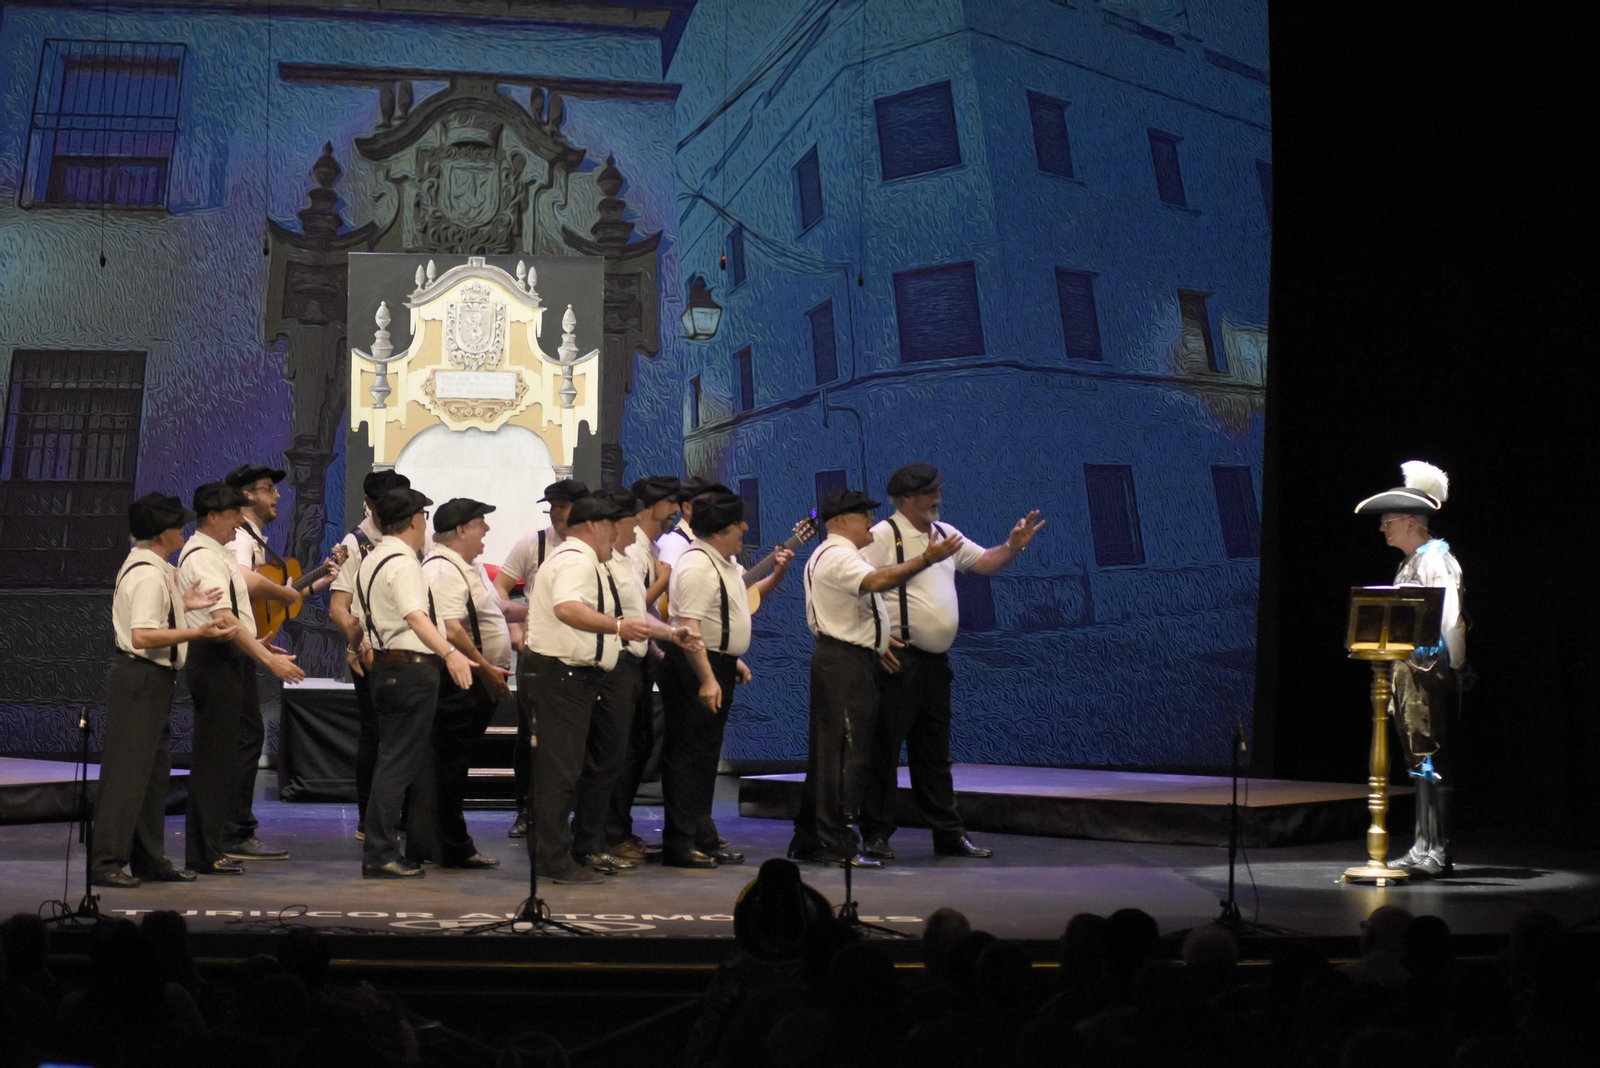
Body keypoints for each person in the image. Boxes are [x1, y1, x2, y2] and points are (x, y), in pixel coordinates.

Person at [859, 463, 1045, 860]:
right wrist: (874, 639)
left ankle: (947, 833)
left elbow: (984, 564)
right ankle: (876, 834)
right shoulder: (882, 536)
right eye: (929, 492)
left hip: (935, 664)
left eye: (937, 490)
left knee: (934, 752)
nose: (937, 498)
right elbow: (853, 586)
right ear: (907, 498)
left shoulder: (946, 534)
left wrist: (1013, 545)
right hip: (898, 662)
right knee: (884, 752)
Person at [521, 495, 698, 884]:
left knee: (572, 769)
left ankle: (569, 850)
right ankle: (553, 859)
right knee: (561, 772)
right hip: (559, 674)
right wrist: (616, 628)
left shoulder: (592, 562)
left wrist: (671, 632)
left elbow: (631, 617)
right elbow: (567, 608)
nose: (619, 533)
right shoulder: (575, 559)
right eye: (612, 525)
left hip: (577, 676)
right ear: (592, 525)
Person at [788, 488, 964, 867]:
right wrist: (926, 558)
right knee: (846, 755)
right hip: (844, 665)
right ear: (841, 522)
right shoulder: (837, 554)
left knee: (830, 754)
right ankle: (837, 844)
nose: (871, 520)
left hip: (846, 660)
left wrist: (879, 641)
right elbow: (877, 582)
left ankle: (809, 839)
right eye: (863, 515)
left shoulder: (836, 555)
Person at [91, 494, 236, 887]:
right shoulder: (148, 574)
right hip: (139, 678)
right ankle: (105, 862)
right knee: (126, 775)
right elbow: (142, 634)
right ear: (161, 533)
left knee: (152, 777)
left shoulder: (158, 569)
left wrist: (184, 604)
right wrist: (197, 628)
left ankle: (149, 858)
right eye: (176, 525)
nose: (182, 530)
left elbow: (155, 615)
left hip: (153, 682)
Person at [178, 483, 305, 875]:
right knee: (214, 757)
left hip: (229, 655)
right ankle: (204, 850)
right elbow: (224, 619)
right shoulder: (201, 557)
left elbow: (236, 617)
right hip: (214, 659)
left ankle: (215, 843)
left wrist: (257, 642)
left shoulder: (218, 555)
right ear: (214, 517)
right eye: (234, 514)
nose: (240, 522)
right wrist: (267, 659)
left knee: (229, 752)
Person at [349, 487, 474, 878]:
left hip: (385, 668)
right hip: (409, 670)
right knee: (396, 766)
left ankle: (387, 848)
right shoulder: (403, 562)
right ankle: (381, 852)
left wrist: (358, 650)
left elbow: (356, 620)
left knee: (391, 760)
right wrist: (451, 653)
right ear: (416, 520)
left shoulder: (371, 560)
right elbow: (416, 617)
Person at [660, 491, 789, 867]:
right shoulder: (698, 566)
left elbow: (732, 611)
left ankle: (703, 833)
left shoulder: (725, 564)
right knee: (688, 756)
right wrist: (707, 678)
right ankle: (680, 841)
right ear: (718, 531)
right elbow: (690, 628)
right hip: (695, 667)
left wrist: (731, 662)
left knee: (705, 757)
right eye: (737, 525)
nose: (745, 529)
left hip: (716, 663)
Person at [220, 462, 338, 862]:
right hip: (230, 650)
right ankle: (233, 832)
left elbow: (270, 595)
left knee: (245, 738)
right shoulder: (238, 538)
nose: (277, 496)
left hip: (245, 644)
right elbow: (241, 580)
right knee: (242, 739)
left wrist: (306, 586)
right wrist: (284, 594)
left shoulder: (256, 538)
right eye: (269, 489)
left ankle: (233, 829)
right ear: (248, 495)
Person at [1354, 460, 1466, 878]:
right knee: (1417, 757)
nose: (1382, 528)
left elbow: (1451, 618)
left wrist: (1454, 666)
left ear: (1410, 523)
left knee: (1431, 754)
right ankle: (1423, 845)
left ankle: (1438, 849)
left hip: (1427, 669)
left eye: (1388, 522)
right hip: (1405, 670)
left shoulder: (1437, 559)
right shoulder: (1410, 563)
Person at [403, 498, 513, 870]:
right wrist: (484, 668)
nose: (486, 531)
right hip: (459, 680)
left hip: (473, 678)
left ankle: (442, 844)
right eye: (481, 524)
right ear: (462, 530)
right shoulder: (443, 570)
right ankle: (447, 845)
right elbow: (450, 628)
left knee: (450, 765)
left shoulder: (466, 567)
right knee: (444, 766)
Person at [495, 477, 590, 838]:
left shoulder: (593, 548)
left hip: (581, 654)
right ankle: (526, 809)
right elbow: (499, 592)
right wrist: (515, 624)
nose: (555, 515)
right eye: (551, 508)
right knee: (530, 735)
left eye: (562, 507)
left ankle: (568, 812)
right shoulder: (533, 543)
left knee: (573, 739)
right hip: (539, 654)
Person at [327, 468, 414, 838]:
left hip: (408, 651)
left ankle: (403, 816)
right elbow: (339, 607)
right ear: (370, 504)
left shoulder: (412, 537)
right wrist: (356, 644)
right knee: (374, 736)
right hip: (371, 652)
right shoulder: (355, 543)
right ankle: (369, 818)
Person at [605, 475, 681, 861]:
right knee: (624, 750)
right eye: (671, 504)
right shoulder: (633, 550)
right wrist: (664, 581)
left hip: (638, 655)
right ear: (651, 506)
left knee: (636, 747)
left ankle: (619, 829)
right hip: (620, 660)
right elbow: (631, 608)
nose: (677, 511)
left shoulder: (646, 548)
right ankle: (612, 831)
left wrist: (655, 644)